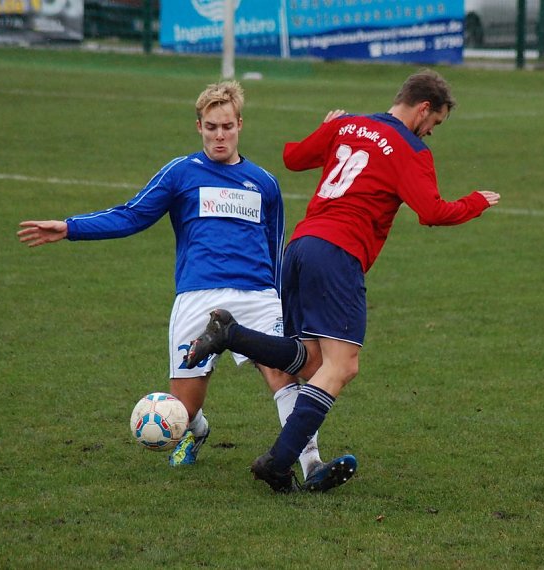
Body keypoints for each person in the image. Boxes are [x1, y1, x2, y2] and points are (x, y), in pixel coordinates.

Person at [185, 69, 501, 493]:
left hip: (299, 248)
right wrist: (476, 201)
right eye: (435, 123)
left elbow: (294, 157)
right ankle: (278, 462)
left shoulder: (347, 123)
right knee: (342, 365)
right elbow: (432, 212)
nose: (431, 132)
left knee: (309, 361)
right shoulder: (410, 149)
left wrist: (328, 127)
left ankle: (231, 334)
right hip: (339, 254)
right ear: (424, 108)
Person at [16, 81, 327, 480]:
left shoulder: (264, 183)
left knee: (282, 373)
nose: (220, 135)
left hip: (257, 294)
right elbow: (132, 215)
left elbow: (276, 247)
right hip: (199, 295)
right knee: (183, 410)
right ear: (199, 127)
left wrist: (284, 303)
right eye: (212, 127)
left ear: (240, 125)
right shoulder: (181, 173)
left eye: (227, 126)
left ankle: (311, 463)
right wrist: (70, 227)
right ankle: (197, 432)